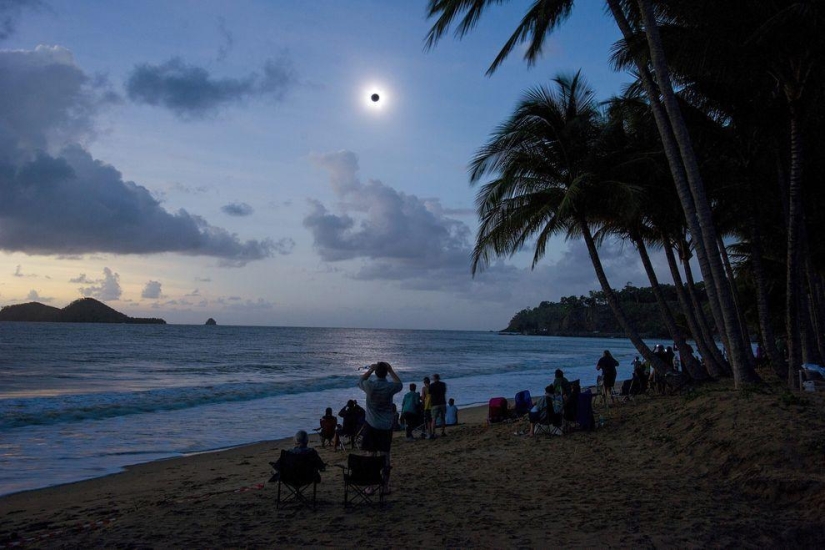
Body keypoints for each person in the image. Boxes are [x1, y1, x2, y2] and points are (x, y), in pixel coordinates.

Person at [358, 361, 403, 492]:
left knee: (370, 455)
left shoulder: (369, 386)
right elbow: (399, 384)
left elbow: (360, 380)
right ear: (386, 373)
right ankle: (385, 486)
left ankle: (370, 485)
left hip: (371, 425)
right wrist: (391, 370)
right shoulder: (389, 387)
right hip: (385, 426)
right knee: (385, 456)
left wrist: (370, 370)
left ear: (376, 373)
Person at [429, 373, 447, 438]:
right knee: (442, 418)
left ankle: (433, 433)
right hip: (442, 402)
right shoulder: (443, 384)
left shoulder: (432, 385)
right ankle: (443, 432)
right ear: (439, 378)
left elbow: (429, 392)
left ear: (434, 379)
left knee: (434, 419)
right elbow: (444, 391)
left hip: (435, 403)